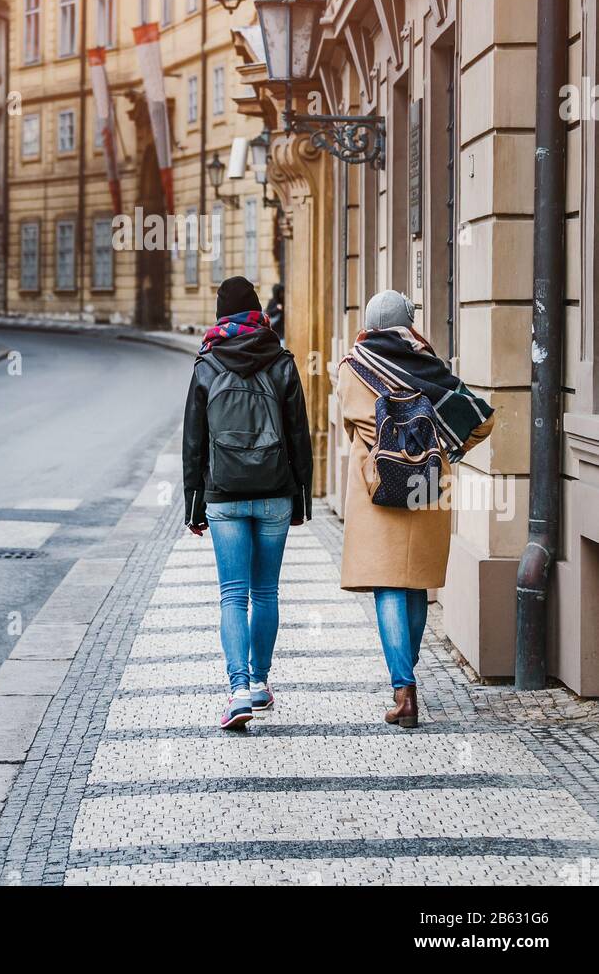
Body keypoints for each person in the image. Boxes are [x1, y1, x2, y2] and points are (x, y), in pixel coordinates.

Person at [336, 290, 494, 728]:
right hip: (427, 484)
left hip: (379, 488)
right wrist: (444, 450)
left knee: (388, 584)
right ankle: (408, 674)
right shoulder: (430, 367)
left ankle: (403, 689)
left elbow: (352, 423)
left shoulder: (353, 367)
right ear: (407, 323)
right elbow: (481, 419)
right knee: (416, 585)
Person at [183, 275, 313, 729]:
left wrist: (192, 505)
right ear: (258, 309)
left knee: (233, 596)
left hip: (223, 495)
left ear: (221, 313)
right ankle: (260, 683)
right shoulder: (281, 361)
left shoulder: (206, 364)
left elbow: (193, 443)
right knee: (266, 592)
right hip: (275, 492)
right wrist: (301, 498)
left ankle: (237, 690)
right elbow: (300, 435)